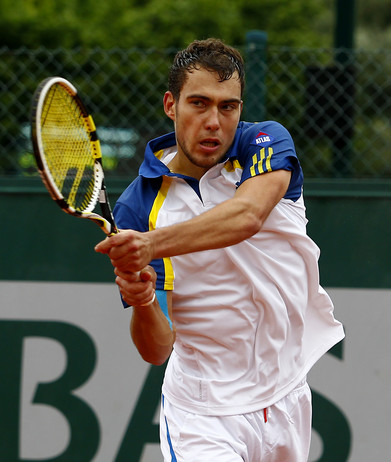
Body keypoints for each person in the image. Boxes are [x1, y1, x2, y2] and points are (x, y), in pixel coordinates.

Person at [94, 38, 344, 462]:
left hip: (285, 395)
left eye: (228, 107)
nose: (214, 121)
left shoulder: (265, 143)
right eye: (199, 104)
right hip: (202, 414)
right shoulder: (137, 207)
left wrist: (152, 244)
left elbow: (246, 216)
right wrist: (141, 302)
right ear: (171, 105)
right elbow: (156, 349)